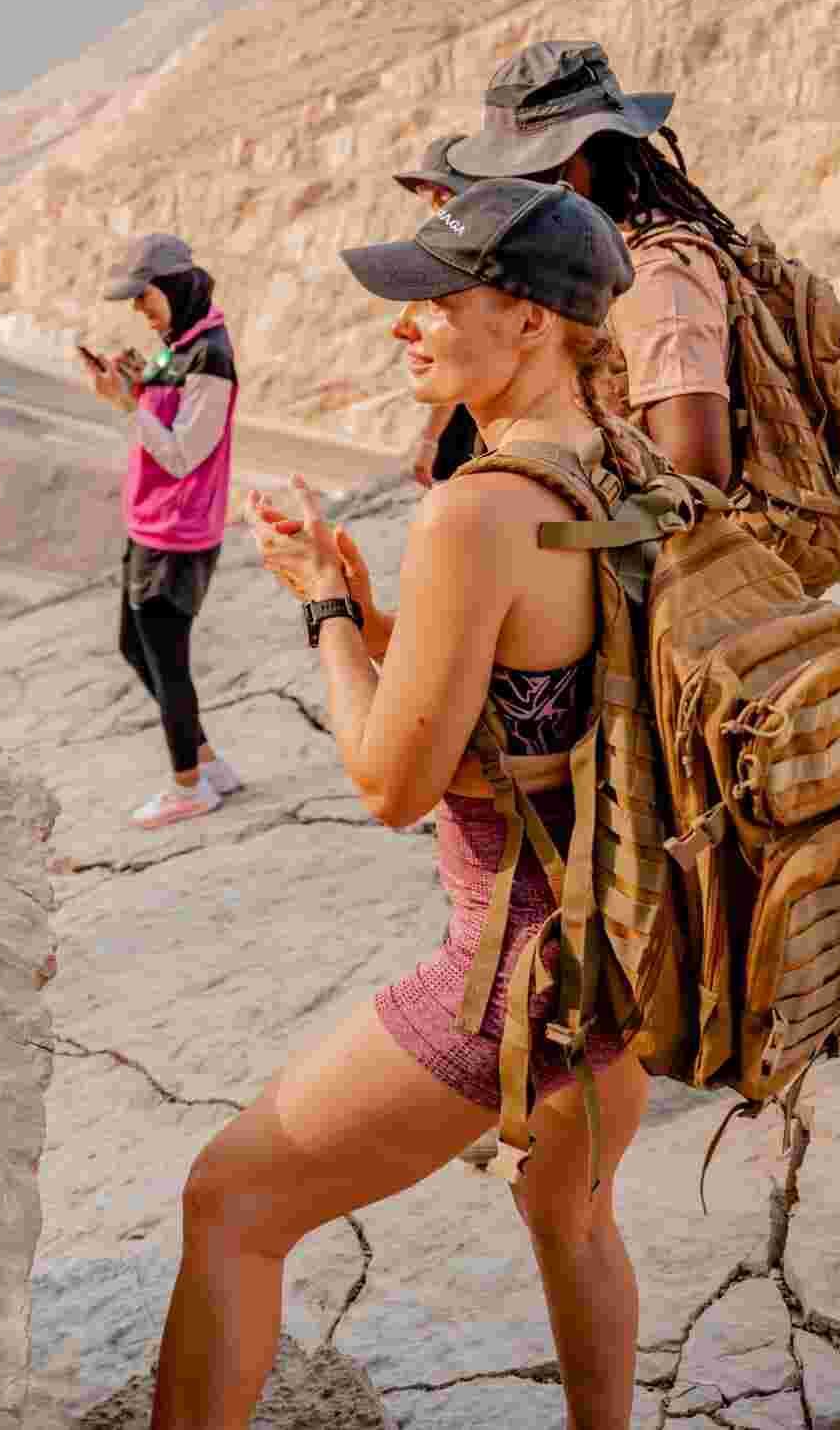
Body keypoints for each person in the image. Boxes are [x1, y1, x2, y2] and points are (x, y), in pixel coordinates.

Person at [147, 180, 647, 1430]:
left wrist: (324, 612)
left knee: (229, 1205)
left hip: (510, 972)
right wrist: (376, 609)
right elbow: (537, 692)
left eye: (436, 297)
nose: (402, 325)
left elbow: (388, 781)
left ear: (531, 319)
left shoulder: (476, 507)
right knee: (571, 1214)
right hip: (622, 950)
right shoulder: (619, 468)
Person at [422, 39, 743, 489]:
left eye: (518, 171)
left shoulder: (656, 279)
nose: (509, 189)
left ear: (571, 167)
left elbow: (696, 480)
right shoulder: (595, 257)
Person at [79, 232, 243, 830]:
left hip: (177, 533)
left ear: (173, 287)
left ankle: (188, 786)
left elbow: (181, 455)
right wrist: (134, 385)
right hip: (152, 523)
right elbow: (161, 409)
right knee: (135, 646)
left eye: (144, 297)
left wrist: (130, 405)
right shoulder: (180, 343)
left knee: (168, 662)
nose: (139, 311)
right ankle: (205, 761)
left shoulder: (211, 358)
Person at [390, 136, 483, 488]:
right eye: (428, 195)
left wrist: (429, 439)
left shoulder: (465, 255)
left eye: (442, 195)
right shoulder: (457, 246)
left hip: (470, 415)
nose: (435, 207)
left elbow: (457, 354)